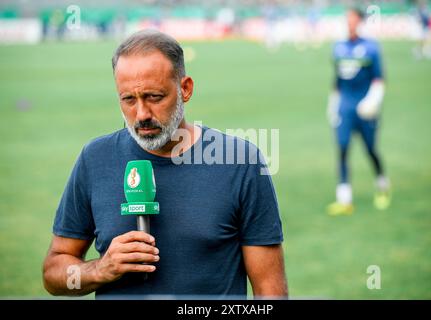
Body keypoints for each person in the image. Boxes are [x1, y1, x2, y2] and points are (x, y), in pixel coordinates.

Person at [43, 30, 288, 298]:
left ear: (185, 89)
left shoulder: (241, 163)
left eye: (154, 97)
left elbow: (270, 290)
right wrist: (100, 269)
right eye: (128, 100)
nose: (142, 114)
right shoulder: (94, 159)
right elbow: (53, 274)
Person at [326, 8, 391, 216]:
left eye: (353, 20)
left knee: (370, 149)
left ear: (360, 22)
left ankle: (382, 185)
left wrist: (372, 101)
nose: (349, 23)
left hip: (365, 108)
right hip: (345, 107)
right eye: (347, 20)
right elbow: (336, 81)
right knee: (343, 149)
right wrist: (333, 104)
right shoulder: (338, 48)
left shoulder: (371, 47)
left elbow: (379, 79)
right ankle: (344, 199)